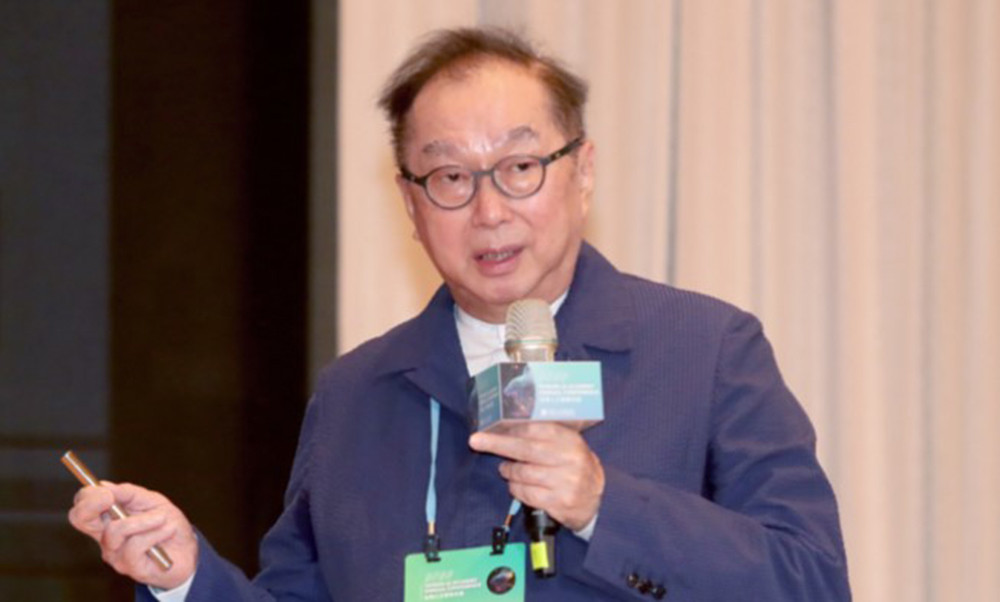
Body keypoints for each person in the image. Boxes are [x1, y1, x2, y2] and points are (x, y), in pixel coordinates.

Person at [68, 27, 851, 600]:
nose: (489, 210)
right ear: (410, 204)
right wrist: (186, 578)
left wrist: (603, 505)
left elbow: (811, 583)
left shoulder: (706, 351)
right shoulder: (357, 394)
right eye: (449, 178)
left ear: (583, 171)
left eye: (519, 166)